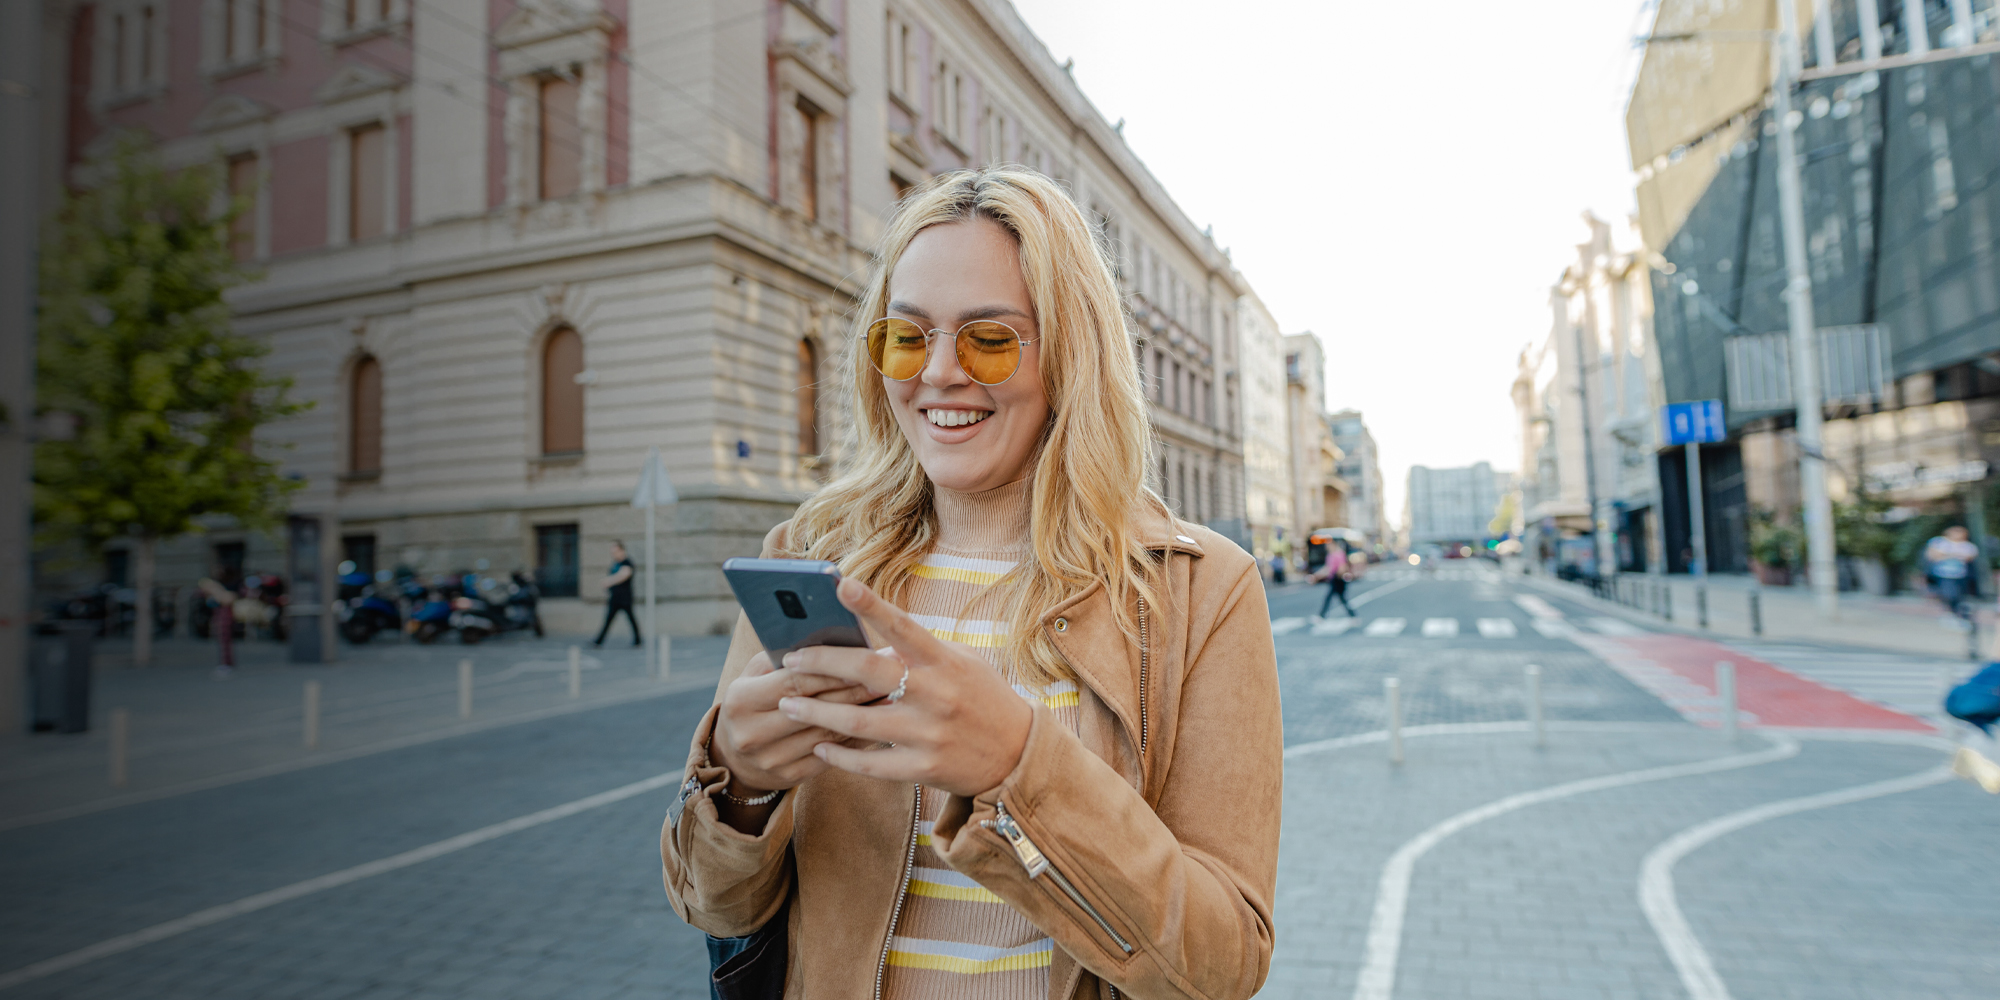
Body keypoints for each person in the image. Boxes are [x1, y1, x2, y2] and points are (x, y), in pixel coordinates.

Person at [661, 168, 1282, 1000]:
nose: (941, 373)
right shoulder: (809, 557)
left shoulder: (1202, 589)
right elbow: (715, 906)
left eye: (989, 338)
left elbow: (1224, 962)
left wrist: (1018, 766)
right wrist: (737, 784)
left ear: (1069, 353)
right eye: (908, 338)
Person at [1925, 525, 1980, 625]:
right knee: (1949, 594)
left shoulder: (1968, 545)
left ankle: (1957, 615)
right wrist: (1955, 555)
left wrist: (1948, 555)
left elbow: (1970, 556)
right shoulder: (1939, 542)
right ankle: (1950, 614)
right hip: (1943, 574)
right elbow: (1933, 555)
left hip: (1960, 575)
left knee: (1959, 596)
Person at [592, 540, 641, 647]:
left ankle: (638, 640)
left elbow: (624, 575)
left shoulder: (627, 562)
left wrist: (609, 581)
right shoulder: (615, 563)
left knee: (631, 619)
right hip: (615, 597)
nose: (613, 554)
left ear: (621, 551)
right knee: (608, 620)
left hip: (625, 598)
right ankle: (598, 641)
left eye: (615, 551)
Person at [1315, 544, 1354, 617]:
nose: (1327, 547)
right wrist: (1317, 575)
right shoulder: (1330, 556)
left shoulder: (1339, 554)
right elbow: (1327, 568)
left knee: (1330, 598)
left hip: (1337, 579)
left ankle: (1321, 615)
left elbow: (1341, 567)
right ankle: (1352, 615)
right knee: (1341, 599)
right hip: (1334, 579)